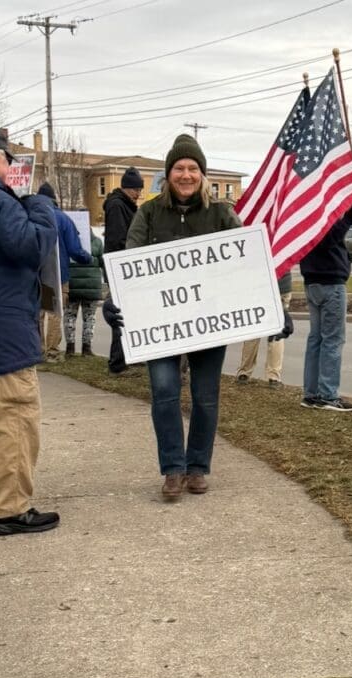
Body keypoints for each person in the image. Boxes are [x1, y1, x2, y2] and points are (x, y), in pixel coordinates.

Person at [103, 133, 241, 501]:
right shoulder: (148, 213)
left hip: (210, 320)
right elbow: (129, 259)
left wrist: (275, 303)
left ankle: (197, 467)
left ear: (202, 173)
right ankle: (172, 469)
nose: (186, 174)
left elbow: (249, 261)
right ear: (168, 174)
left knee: (205, 396)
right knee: (164, 391)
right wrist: (113, 299)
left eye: (193, 168)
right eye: (179, 168)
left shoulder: (222, 213)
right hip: (159, 323)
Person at [0, 123, 60, 535]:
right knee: (14, 416)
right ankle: (10, 508)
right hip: (2, 326)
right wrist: (39, 206)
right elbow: (30, 247)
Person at [299, 196, 352, 410]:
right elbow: (329, 239)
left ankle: (311, 393)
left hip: (313, 280)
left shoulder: (305, 212)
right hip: (329, 281)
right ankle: (327, 394)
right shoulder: (321, 214)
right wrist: (350, 217)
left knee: (316, 338)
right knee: (332, 339)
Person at [37, 182, 92, 362]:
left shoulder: (31, 214)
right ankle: (52, 352)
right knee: (54, 312)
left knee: (38, 312)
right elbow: (75, 250)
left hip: (35, 273)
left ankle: (37, 352)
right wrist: (87, 258)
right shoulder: (63, 219)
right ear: (55, 199)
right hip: (57, 273)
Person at [103, 166, 144, 373]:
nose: (139, 194)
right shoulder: (118, 206)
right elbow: (118, 239)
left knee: (132, 313)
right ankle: (118, 362)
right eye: (137, 190)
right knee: (120, 314)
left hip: (123, 265)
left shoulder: (125, 206)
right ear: (128, 188)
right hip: (120, 267)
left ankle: (130, 355)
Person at [236, 271, 294, 387]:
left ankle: (244, 372)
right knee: (277, 331)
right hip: (282, 283)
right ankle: (274, 377)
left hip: (258, 284)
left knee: (253, 329)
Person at [64, 229, 104, 356]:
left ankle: (70, 348)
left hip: (72, 285)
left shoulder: (69, 241)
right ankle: (86, 349)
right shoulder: (97, 242)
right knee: (89, 318)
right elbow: (103, 263)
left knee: (70, 316)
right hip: (91, 287)